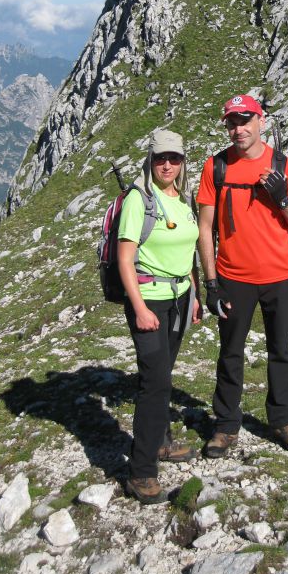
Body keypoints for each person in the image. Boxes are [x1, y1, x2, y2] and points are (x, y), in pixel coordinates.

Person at [197, 94, 288, 458]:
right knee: (230, 352)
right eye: (232, 122)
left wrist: (282, 199)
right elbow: (204, 228)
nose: (239, 129)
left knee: (280, 350)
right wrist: (211, 283)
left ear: (261, 121)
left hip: (281, 275)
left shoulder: (285, 167)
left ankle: (282, 421)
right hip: (234, 277)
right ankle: (225, 425)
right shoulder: (215, 167)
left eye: (245, 120)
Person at [118, 128, 201, 504]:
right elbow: (124, 258)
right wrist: (138, 308)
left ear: (183, 162)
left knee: (163, 376)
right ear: (149, 161)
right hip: (149, 301)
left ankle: (162, 442)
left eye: (174, 158)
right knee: (154, 383)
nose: (167, 165)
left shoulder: (182, 201)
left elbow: (189, 253)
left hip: (180, 297)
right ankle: (141, 471)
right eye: (160, 158)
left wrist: (195, 295)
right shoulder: (140, 199)